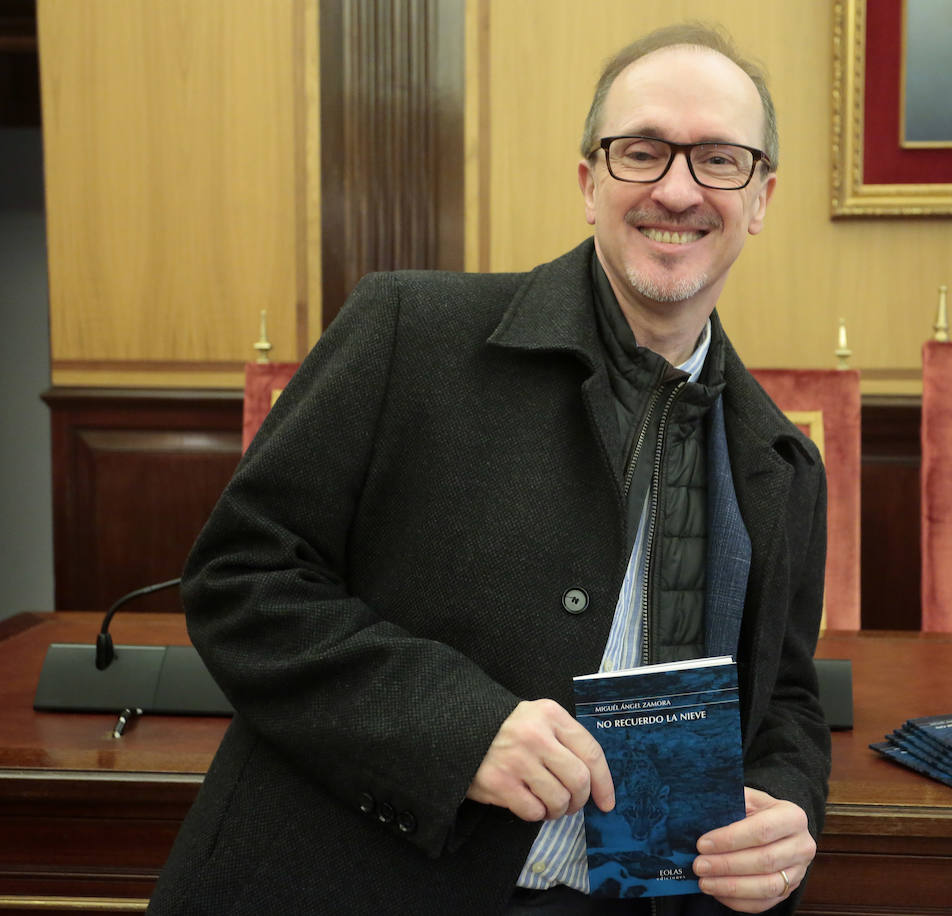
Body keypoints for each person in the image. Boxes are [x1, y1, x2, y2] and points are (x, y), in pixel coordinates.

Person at [148, 21, 830, 916]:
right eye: (641, 152)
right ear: (590, 183)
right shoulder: (408, 332)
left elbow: (783, 700)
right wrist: (460, 730)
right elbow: (240, 579)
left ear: (762, 196)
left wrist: (787, 807)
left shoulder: (781, 461)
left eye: (719, 160)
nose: (677, 188)